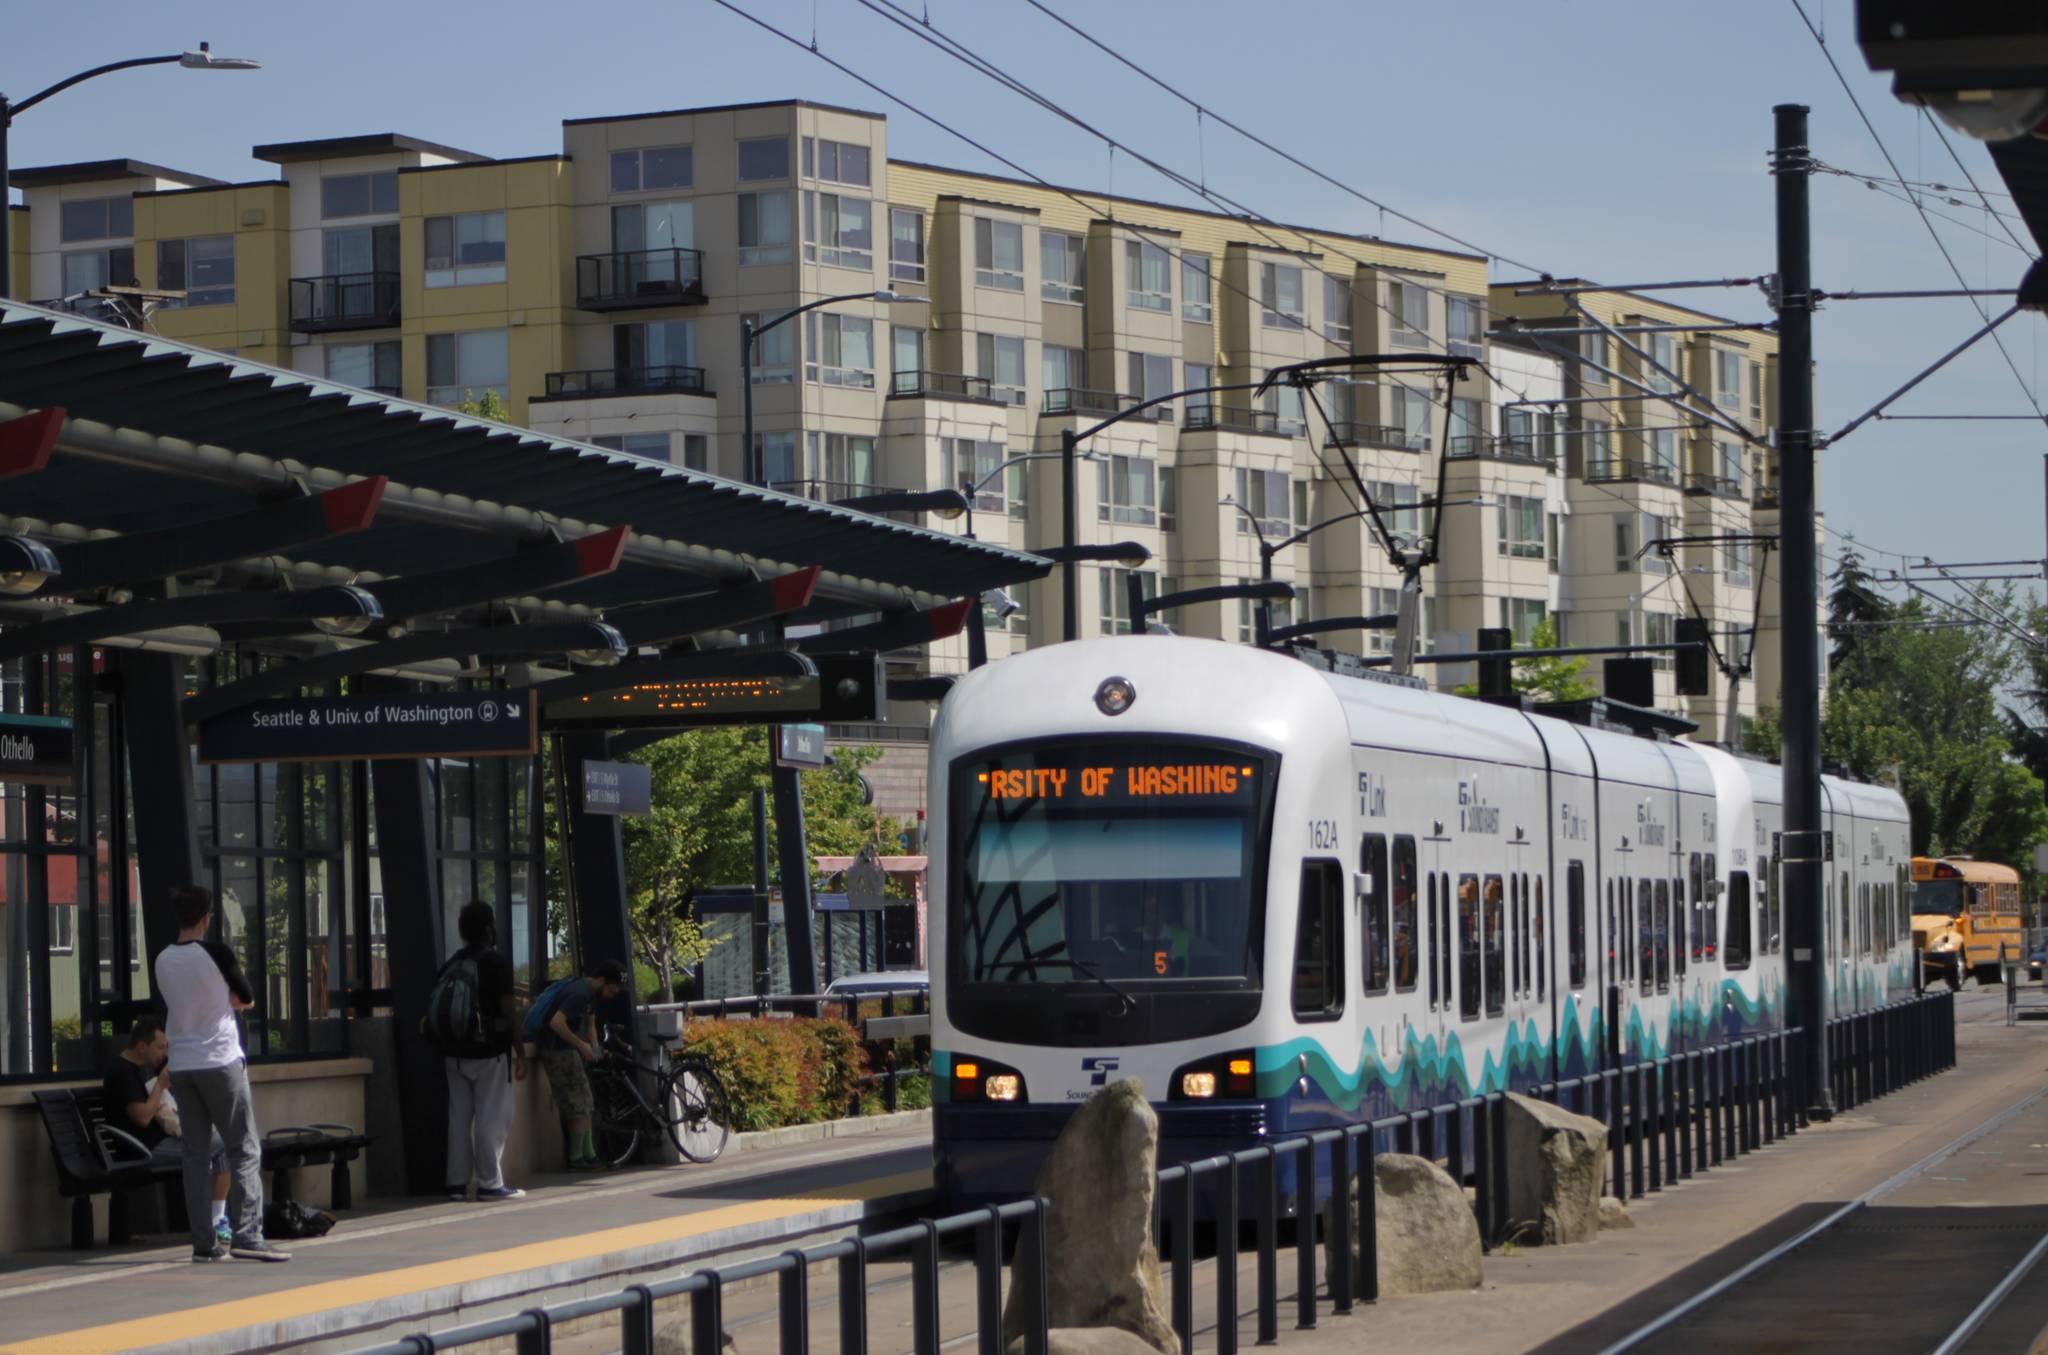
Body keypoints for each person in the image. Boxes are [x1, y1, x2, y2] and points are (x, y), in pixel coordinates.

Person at [155, 885, 288, 1263]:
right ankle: (248, 1234)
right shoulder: (217, 953)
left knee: (195, 1155)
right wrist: (235, 1000)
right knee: (243, 1147)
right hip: (221, 1060)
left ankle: (203, 1242)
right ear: (206, 918)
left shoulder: (162, 959)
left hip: (182, 1066)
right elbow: (245, 995)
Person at [102, 1015, 232, 1247]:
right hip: (141, 1147)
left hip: (157, 1141)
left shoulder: (141, 1067)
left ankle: (216, 1219)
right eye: (160, 1047)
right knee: (221, 1144)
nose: (165, 1053)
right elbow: (142, 1117)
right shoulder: (122, 1072)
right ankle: (214, 1220)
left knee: (216, 1147)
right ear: (142, 1047)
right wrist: (161, 1085)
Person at [442, 901, 526, 1201]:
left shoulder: (453, 961)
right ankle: (490, 1183)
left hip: (454, 1052)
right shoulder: (494, 962)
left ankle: (455, 1184)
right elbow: (508, 1010)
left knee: (459, 1119)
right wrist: (520, 1051)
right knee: (493, 1116)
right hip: (489, 1052)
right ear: (489, 927)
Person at [535, 958, 628, 1171]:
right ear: (602, 980)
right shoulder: (579, 993)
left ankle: (589, 1153)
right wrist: (580, 1045)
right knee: (577, 1104)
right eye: (613, 990)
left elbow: (590, 1024)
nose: (614, 995)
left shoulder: (591, 995)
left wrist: (593, 1044)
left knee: (586, 1101)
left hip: (570, 1051)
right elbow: (556, 1022)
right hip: (558, 1051)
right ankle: (577, 1157)